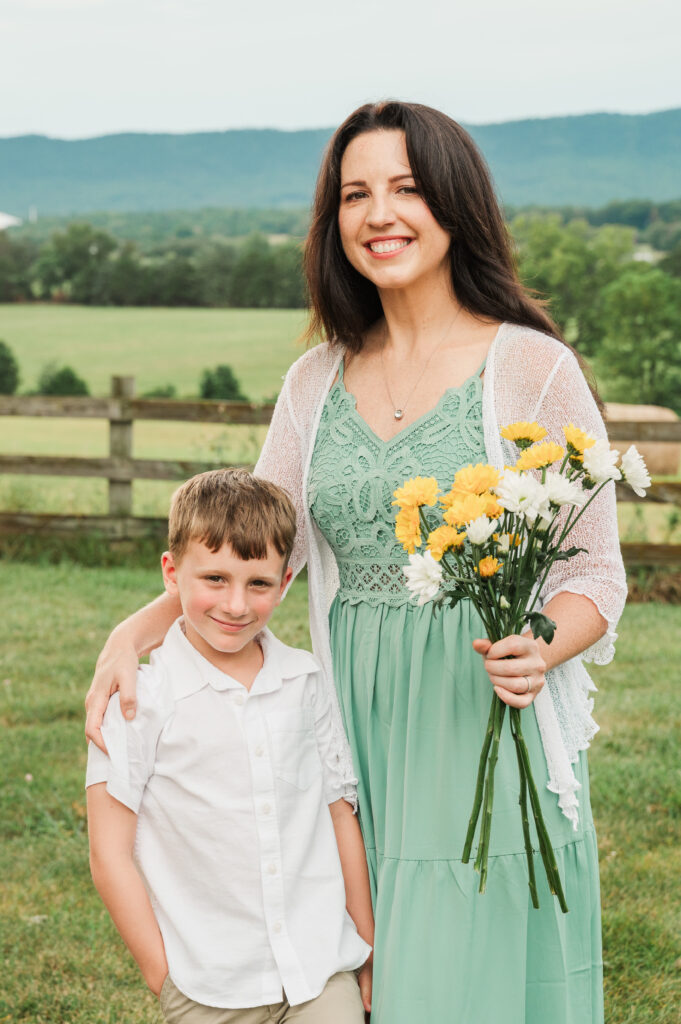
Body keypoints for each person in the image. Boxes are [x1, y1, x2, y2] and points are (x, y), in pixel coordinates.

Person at [86, 102, 626, 1023]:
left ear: (456, 205)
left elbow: (594, 571)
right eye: (355, 194)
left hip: (477, 710)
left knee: (475, 957)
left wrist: (538, 644)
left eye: (407, 189)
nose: (380, 213)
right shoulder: (314, 381)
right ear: (333, 222)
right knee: (366, 954)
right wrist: (134, 629)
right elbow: (251, 547)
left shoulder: (531, 368)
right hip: (350, 716)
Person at [86, 469, 373, 1024]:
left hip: (319, 970)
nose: (236, 605)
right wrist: (161, 974)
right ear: (171, 573)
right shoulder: (137, 700)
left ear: (286, 582)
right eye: (214, 579)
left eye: (258, 584)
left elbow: (340, 815)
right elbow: (108, 854)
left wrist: (363, 943)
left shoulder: (307, 682)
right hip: (207, 982)